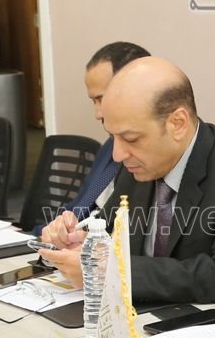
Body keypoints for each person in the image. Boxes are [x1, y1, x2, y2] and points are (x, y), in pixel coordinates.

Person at [40, 57, 215, 316]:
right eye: (112, 137)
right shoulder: (137, 164)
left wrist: (115, 271)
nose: (118, 154)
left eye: (131, 138)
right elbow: (110, 235)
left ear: (178, 124)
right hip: (159, 319)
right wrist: (80, 242)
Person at [65, 41, 151, 218]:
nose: (98, 113)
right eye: (94, 101)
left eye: (102, 99)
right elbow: (79, 207)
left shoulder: (153, 158)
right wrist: (54, 227)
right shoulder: (109, 146)